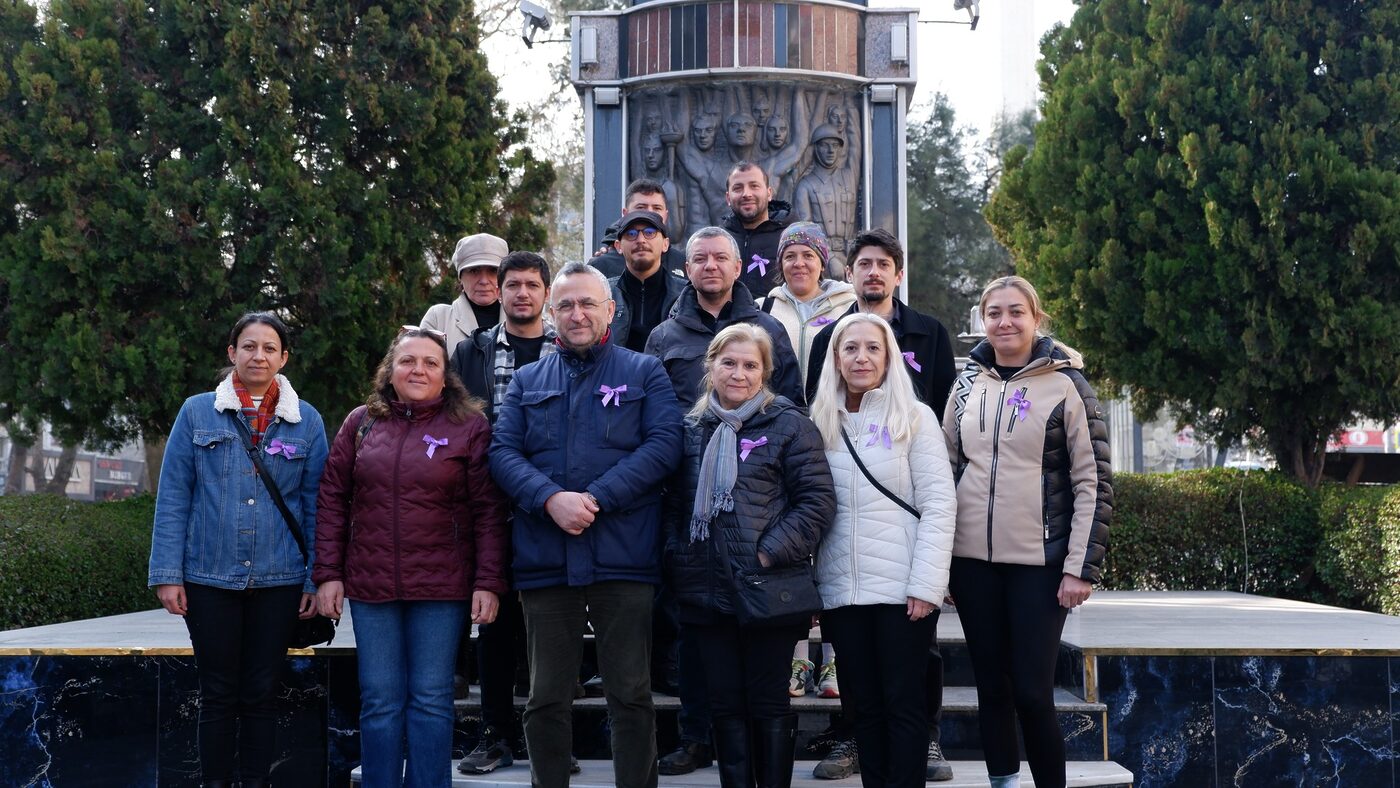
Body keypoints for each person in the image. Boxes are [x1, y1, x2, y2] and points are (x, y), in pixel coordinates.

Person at [490, 262, 684, 788]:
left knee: (630, 695)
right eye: (567, 305)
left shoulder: (644, 372)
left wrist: (595, 499)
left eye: (588, 304)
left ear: (609, 312)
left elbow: (664, 446)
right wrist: (550, 499)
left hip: (623, 556)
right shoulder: (529, 380)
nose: (577, 314)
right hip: (545, 559)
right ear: (553, 314)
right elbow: (502, 452)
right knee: (546, 696)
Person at [314, 326, 509, 788]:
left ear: (446, 376)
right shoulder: (360, 423)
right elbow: (331, 498)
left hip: (443, 590)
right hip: (370, 586)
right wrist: (327, 574)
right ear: (390, 369)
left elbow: (489, 511)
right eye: (408, 360)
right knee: (380, 700)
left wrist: (488, 582)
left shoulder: (469, 427)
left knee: (431, 699)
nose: (418, 369)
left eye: (430, 362)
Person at [942, 276, 1112, 788]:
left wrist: (1080, 568)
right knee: (991, 687)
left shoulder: (1066, 384)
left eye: (1016, 312)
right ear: (981, 319)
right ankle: (1002, 781)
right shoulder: (967, 381)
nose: (1004, 322)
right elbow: (945, 468)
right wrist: (941, 562)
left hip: (1041, 566)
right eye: (994, 313)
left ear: (1037, 318)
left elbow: (1094, 481)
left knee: (1033, 692)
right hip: (972, 562)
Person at [804, 229, 960, 781]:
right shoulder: (817, 427)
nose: (862, 356)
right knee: (863, 709)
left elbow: (940, 503)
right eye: (851, 348)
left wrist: (926, 585)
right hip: (843, 591)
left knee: (903, 706)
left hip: (901, 593)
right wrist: (817, 586)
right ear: (835, 358)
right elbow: (812, 509)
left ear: (890, 356)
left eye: (873, 347)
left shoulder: (914, 420)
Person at [149, 312, 329, 788]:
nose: (259, 356)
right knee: (218, 693)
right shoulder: (196, 412)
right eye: (249, 347)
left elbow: (317, 506)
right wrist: (168, 573)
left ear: (284, 358)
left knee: (262, 693)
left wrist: (314, 578)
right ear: (232, 353)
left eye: (270, 348)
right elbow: (173, 496)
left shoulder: (306, 420)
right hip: (208, 577)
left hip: (280, 579)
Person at [666, 323, 835, 788]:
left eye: (749, 365)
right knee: (724, 704)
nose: (738, 374)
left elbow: (816, 503)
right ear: (711, 366)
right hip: (705, 591)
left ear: (765, 373)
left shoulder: (789, 425)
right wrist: (679, 554)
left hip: (769, 589)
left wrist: (765, 554)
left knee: (768, 703)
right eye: (729, 363)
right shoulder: (690, 429)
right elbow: (675, 506)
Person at [450, 251, 559, 775]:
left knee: (550, 627)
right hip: (491, 506)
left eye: (530, 285)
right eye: (511, 285)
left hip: (555, 507)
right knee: (493, 626)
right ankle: (494, 733)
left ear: (545, 292)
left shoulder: (569, 344)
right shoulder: (471, 352)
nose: (520, 293)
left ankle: (548, 740)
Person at [645, 226, 803, 412]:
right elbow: (651, 410)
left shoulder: (770, 330)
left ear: (737, 268)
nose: (710, 266)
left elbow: (792, 406)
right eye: (700, 259)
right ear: (688, 269)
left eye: (721, 258)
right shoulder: (663, 336)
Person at [755, 222, 856, 385]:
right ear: (781, 264)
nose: (799, 263)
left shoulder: (850, 308)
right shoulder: (762, 309)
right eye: (790, 256)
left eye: (808, 255)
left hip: (831, 408)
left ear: (822, 263)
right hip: (777, 409)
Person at [607, 209, 688, 352]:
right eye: (631, 234)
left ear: (665, 244)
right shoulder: (604, 295)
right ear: (618, 246)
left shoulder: (687, 295)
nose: (641, 240)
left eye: (650, 232)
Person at [421, 233, 507, 354]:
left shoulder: (524, 319)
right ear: (460, 277)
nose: (484, 281)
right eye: (474, 271)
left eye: (493, 271)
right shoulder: (439, 319)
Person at [720, 162, 792, 299]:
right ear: (728, 198)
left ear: (769, 193)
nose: (746, 194)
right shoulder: (718, 240)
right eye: (738, 188)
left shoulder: (790, 239)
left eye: (754, 186)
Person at [592, 179, 688, 279]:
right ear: (625, 213)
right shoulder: (601, 266)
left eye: (657, 208)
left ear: (666, 215)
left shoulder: (683, 263)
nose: (650, 213)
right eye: (641, 207)